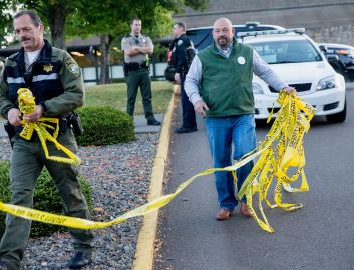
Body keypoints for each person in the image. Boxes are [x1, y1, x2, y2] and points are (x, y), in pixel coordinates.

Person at [0, 10, 94, 270]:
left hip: (56, 137)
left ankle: (83, 248)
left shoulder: (61, 59)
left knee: (70, 193)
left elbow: (77, 95)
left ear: (40, 28)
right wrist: (9, 110)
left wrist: (44, 108)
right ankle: (9, 261)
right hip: (24, 142)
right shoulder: (11, 64)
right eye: (17, 31)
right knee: (19, 197)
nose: (22, 35)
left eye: (26, 29)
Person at [184, 17, 296, 221]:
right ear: (213, 34)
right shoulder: (204, 57)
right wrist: (196, 100)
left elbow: (266, 72)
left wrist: (283, 87)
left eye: (225, 30)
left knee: (245, 156)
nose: (221, 35)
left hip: (243, 115)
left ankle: (247, 201)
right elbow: (190, 81)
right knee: (221, 162)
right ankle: (227, 204)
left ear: (232, 31)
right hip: (216, 118)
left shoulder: (247, 52)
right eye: (217, 31)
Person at [121, 17, 161, 126]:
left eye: (139, 25)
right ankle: (128, 120)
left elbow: (150, 50)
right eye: (136, 25)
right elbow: (128, 52)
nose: (138, 27)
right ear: (131, 25)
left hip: (144, 71)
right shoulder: (126, 39)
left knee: (147, 96)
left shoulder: (146, 38)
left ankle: (150, 118)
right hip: (132, 72)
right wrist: (142, 49)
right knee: (131, 97)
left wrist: (136, 48)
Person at [171, 22, 198, 134]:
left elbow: (182, 57)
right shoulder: (186, 40)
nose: (173, 30)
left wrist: (178, 71)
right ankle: (191, 124)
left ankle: (188, 125)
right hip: (186, 72)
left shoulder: (182, 40)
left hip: (185, 72)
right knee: (187, 99)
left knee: (186, 100)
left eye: (175, 28)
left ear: (181, 29)